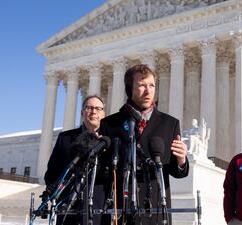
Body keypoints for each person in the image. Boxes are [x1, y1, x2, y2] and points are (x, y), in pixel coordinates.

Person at [98, 64, 189, 225]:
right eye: (141, 85)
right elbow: (103, 170)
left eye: (152, 85)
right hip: (121, 209)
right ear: (129, 88)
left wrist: (182, 160)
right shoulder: (109, 124)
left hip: (155, 209)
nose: (148, 91)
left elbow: (177, 171)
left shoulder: (170, 124)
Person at [43, 95, 106, 225]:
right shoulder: (65, 138)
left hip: (99, 211)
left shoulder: (109, 141)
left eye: (98, 109)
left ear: (103, 114)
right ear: (83, 113)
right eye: (89, 108)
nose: (94, 111)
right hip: (67, 210)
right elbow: (51, 173)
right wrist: (58, 195)